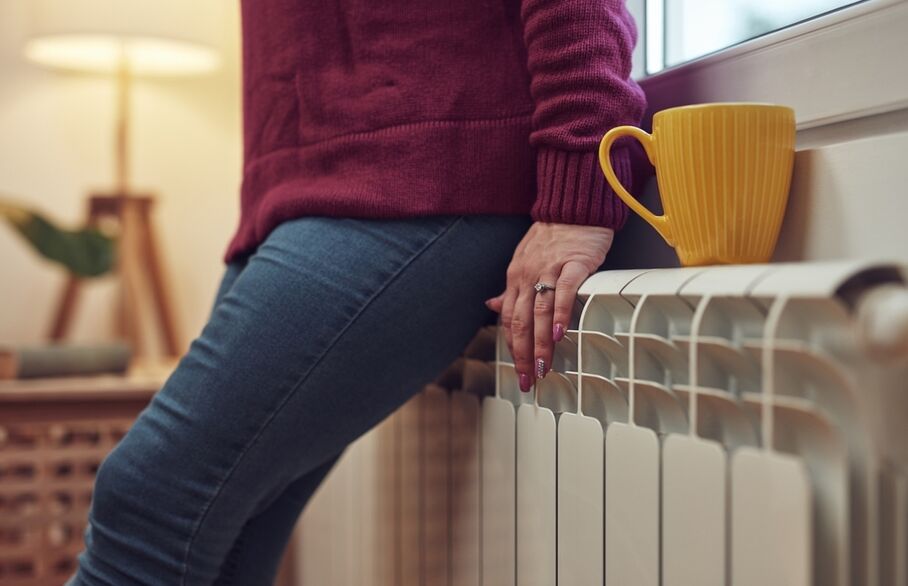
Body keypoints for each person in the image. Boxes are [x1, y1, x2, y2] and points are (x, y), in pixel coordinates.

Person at [66, 0, 645, 583]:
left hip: (426, 171)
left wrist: (583, 167)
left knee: (147, 501)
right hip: (302, 191)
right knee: (226, 546)